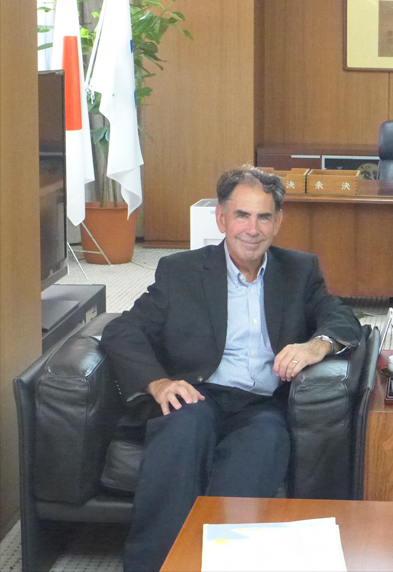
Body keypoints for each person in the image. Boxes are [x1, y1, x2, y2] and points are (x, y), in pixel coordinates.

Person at [100, 166, 361, 572]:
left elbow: (342, 318)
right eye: (242, 215)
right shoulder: (181, 271)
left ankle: (222, 564)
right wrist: (159, 382)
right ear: (221, 218)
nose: (252, 229)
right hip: (197, 394)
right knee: (181, 433)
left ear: (278, 222)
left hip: (262, 405)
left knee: (260, 451)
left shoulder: (300, 270)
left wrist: (317, 344)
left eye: (263, 217)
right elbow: (123, 330)